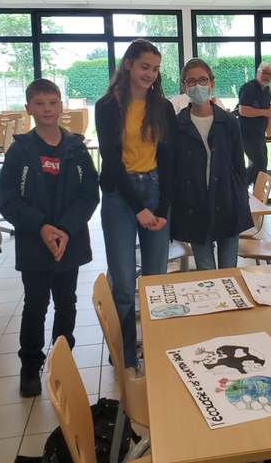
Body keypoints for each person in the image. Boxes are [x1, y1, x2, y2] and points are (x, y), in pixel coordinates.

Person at [0, 79, 99, 397]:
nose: (47, 109)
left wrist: (66, 229)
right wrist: (41, 226)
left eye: (52, 102)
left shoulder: (76, 148)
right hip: (34, 242)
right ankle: (30, 365)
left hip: (70, 240)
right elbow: (8, 199)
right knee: (35, 304)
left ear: (61, 106)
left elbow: (89, 194)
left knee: (67, 303)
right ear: (29, 109)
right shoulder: (20, 150)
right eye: (39, 104)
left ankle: (62, 360)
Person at [95, 40, 176, 377]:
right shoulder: (107, 105)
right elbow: (111, 161)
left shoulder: (163, 107)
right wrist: (139, 207)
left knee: (156, 281)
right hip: (120, 195)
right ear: (127, 64)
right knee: (125, 284)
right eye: (145, 66)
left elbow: (169, 158)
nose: (150, 74)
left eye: (155, 69)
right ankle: (126, 356)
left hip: (155, 190)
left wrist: (163, 207)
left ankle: (156, 348)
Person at [171, 58, 253, 270]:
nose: (197, 85)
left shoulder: (229, 122)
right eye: (191, 81)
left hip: (227, 200)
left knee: (229, 267)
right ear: (184, 87)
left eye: (202, 80)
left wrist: (241, 197)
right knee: (205, 269)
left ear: (211, 84)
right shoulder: (177, 125)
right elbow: (173, 169)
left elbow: (239, 166)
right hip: (194, 203)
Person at [238, 62, 271, 193]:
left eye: (270, 74)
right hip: (247, 134)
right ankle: (239, 186)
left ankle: (260, 195)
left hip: (260, 134)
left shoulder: (267, 91)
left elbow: (269, 111)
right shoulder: (248, 88)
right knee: (259, 163)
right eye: (264, 73)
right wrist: (264, 112)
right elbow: (243, 110)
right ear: (258, 73)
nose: (267, 76)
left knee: (262, 166)